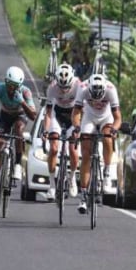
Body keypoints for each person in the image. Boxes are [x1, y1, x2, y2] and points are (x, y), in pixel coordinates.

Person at [71, 74, 122, 214]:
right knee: (86, 154)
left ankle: (106, 171)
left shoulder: (111, 89)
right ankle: (83, 195)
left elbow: (117, 118)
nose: (97, 100)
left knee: (107, 138)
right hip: (89, 117)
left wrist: (114, 129)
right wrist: (76, 127)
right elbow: (75, 112)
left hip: (106, 118)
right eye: (94, 97)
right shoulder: (83, 88)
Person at [0, 66, 37, 207]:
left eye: (15, 86)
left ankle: (18, 164)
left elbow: (33, 116)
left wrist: (22, 102)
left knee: (19, 129)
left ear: (20, 85)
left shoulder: (26, 92)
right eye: (9, 84)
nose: (11, 89)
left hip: (21, 115)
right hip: (5, 116)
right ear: (5, 82)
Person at [43, 64, 81, 201]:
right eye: (61, 87)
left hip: (73, 116)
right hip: (57, 115)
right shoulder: (52, 87)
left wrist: (78, 128)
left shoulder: (79, 86)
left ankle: (71, 178)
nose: (64, 90)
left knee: (73, 149)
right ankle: (52, 185)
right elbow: (48, 112)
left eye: (67, 87)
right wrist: (45, 131)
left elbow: (84, 110)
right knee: (53, 149)